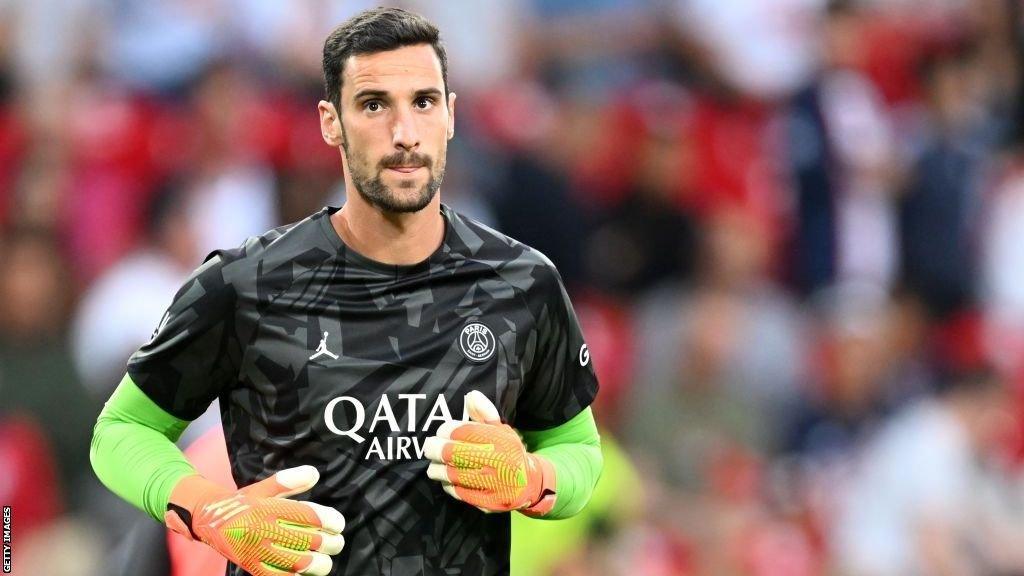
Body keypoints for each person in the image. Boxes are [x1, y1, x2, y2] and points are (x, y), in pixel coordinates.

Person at [90, 7, 603, 576]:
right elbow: (121, 432)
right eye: (374, 104)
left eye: (424, 102)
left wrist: (535, 481)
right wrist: (209, 510)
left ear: (452, 115)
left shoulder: (522, 282)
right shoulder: (244, 284)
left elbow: (578, 450)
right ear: (331, 121)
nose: (405, 133)